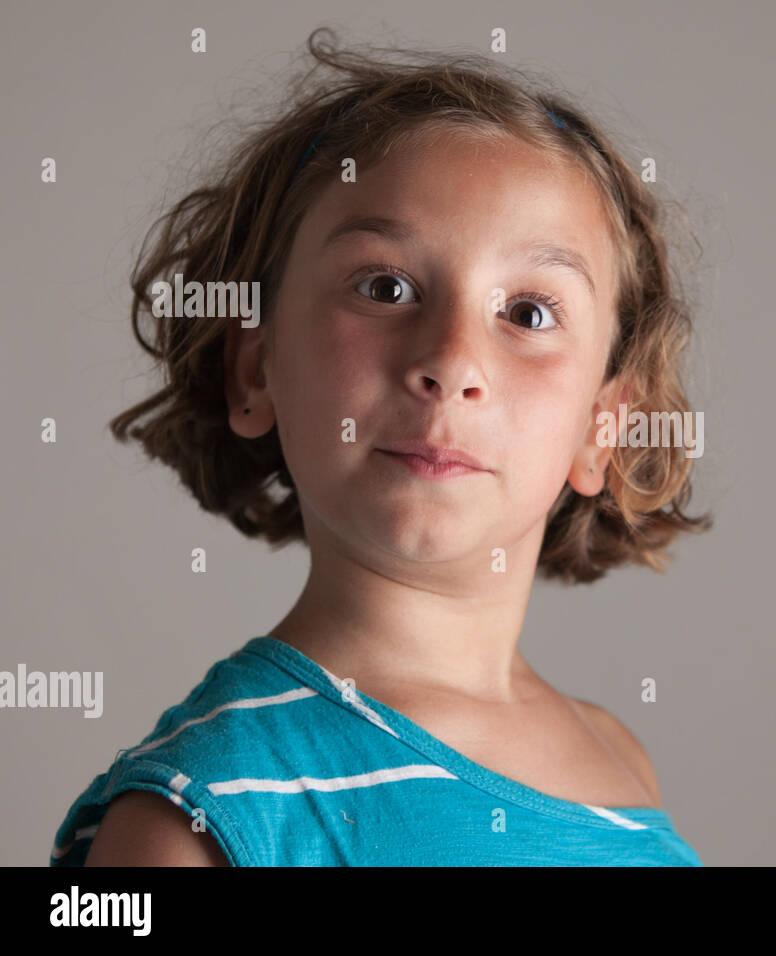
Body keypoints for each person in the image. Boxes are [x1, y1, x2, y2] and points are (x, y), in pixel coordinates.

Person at [49, 27, 712, 867]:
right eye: (385, 287)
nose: (451, 362)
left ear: (602, 427)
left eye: (529, 313)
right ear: (256, 368)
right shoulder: (197, 818)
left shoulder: (621, 763)